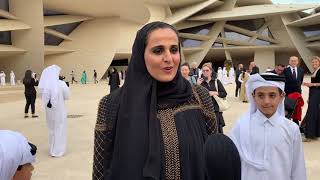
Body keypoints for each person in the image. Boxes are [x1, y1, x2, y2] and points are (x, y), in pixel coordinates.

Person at [92, 21, 218, 180]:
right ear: (140, 55)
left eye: (174, 50)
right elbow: (100, 171)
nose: (169, 58)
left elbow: (213, 158)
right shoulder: (111, 105)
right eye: (158, 51)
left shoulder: (199, 96)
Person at [229, 73, 307, 180]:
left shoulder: (291, 129)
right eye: (260, 95)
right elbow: (232, 165)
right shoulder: (240, 126)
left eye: (272, 95)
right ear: (253, 96)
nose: (266, 101)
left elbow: (297, 168)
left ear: (281, 97)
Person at [39, 65, 70, 157]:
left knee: (51, 129)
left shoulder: (45, 85)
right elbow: (67, 96)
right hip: (59, 110)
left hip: (49, 111)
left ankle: (52, 149)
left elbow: (43, 97)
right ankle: (58, 150)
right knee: (60, 128)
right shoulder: (61, 83)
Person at [198, 62, 227, 133]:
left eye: (207, 70)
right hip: (204, 111)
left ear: (211, 71)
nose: (205, 72)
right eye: (203, 71)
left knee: (217, 130)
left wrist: (215, 93)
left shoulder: (216, 81)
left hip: (215, 110)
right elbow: (196, 96)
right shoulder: (200, 82)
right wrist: (197, 85)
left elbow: (224, 93)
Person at [302, 56, 320, 142]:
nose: (314, 64)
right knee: (315, 113)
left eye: (315, 62)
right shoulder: (314, 71)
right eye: (313, 62)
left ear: (319, 62)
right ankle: (314, 135)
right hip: (314, 94)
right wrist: (309, 97)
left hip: (317, 94)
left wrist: (311, 84)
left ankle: (309, 136)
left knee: (311, 114)